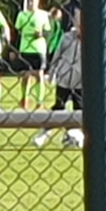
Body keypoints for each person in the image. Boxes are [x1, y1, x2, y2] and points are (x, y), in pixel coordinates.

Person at [34, 9, 83, 149]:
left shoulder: (92, 41)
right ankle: (44, 134)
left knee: (80, 110)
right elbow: (57, 55)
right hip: (65, 78)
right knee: (58, 107)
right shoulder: (67, 37)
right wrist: (52, 72)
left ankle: (74, 136)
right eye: (77, 20)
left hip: (81, 81)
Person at [14, 0, 51, 109]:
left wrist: (41, 34)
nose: (30, 3)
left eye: (32, 1)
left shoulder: (43, 15)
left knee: (39, 74)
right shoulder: (22, 15)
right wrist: (14, 49)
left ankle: (40, 101)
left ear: (37, 2)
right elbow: (17, 32)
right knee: (25, 76)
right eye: (28, 1)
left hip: (38, 49)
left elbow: (48, 32)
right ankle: (24, 98)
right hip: (25, 48)